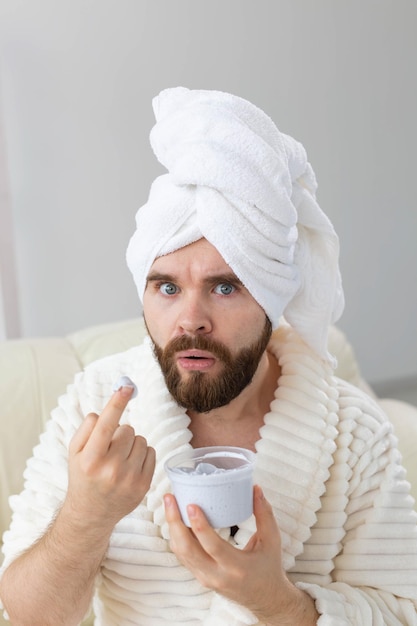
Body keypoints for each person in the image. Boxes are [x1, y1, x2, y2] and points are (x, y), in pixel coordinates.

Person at [1, 87, 416, 626]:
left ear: (272, 300)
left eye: (224, 288)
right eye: (167, 288)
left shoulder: (353, 435)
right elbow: (27, 614)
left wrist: (277, 602)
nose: (190, 319)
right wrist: (85, 515)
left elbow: (404, 612)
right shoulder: (95, 405)